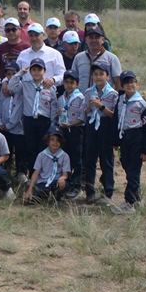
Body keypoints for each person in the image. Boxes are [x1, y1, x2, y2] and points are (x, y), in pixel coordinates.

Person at [113, 71, 146, 215]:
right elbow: (117, 120)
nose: (130, 85)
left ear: (137, 84)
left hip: (137, 137)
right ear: (122, 86)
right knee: (126, 166)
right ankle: (137, 198)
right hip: (124, 138)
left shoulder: (140, 103)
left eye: (132, 82)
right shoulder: (121, 100)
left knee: (133, 170)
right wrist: (116, 141)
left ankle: (129, 202)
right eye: (126, 82)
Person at [10, 60, 55, 180]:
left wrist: (53, 124)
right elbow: (11, 87)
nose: (36, 72)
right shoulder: (25, 84)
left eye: (39, 69)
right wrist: (20, 73)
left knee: (43, 149)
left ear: (44, 71)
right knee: (30, 148)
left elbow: (53, 106)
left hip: (44, 121)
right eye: (33, 70)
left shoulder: (50, 87)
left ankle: (43, 176)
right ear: (30, 72)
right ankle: (32, 175)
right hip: (29, 120)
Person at [82, 64, 119, 206]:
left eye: (101, 74)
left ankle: (108, 191)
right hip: (91, 126)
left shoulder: (113, 94)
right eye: (95, 74)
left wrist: (101, 106)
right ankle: (90, 192)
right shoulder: (88, 92)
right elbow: (85, 114)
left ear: (107, 76)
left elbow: (114, 116)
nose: (98, 77)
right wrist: (90, 107)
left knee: (106, 160)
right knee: (90, 160)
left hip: (106, 126)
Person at [55, 71, 86, 201]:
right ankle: (66, 185)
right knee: (65, 158)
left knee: (76, 159)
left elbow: (82, 118)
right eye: (66, 82)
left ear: (77, 84)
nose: (69, 85)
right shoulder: (61, 98)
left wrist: (71, 125)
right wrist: (58, 115)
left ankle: (77, 186)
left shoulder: (80, 98)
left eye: (72, 83)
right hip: (63, 131)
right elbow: (57, 116)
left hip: (75, 130)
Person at [24, 130, 70, 204]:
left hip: (56, 182)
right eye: (52, 140)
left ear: (61, 142)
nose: (55, 143)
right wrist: (30, 189)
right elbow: (36, 172)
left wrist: (62, 178)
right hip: (43, 182)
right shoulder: (41, 155)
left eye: (58, 140)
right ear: (48, 141)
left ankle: (56, 199)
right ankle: (44, 197)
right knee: (29, 200)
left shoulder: (64, 156)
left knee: (64, 185)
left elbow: (65, 174)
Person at [70, 26, 122, 91]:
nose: (94, 40)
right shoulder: (78, 57)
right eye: (91, 38)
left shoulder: (111, 58)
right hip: (82, 98)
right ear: (86, 40)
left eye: (97, 37)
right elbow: (73, 79)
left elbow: (118, 82)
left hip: (105, 99)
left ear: (102, 40)